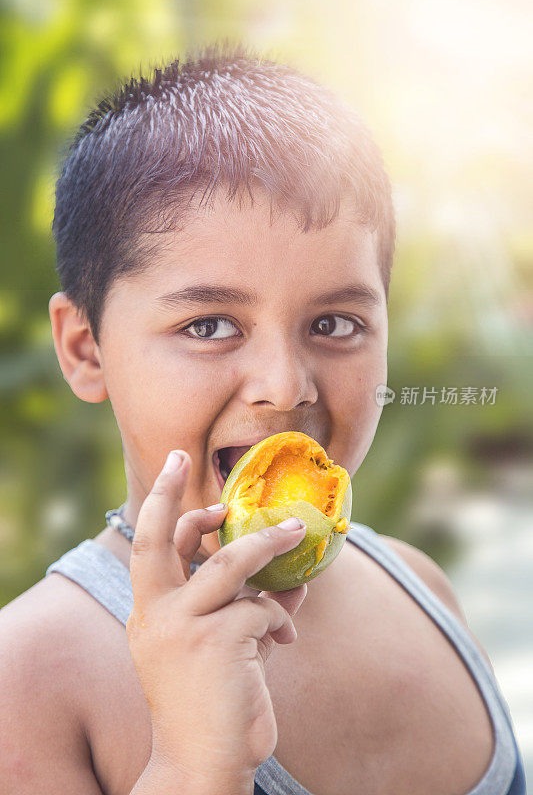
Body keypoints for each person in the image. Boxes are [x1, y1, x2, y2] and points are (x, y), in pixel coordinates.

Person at [0, 39, 526, 795]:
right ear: (86, 350)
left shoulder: (419, 587)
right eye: (209, 325)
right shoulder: (30, 679)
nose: (283, 388)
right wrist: (192, 765)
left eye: (336, 324)